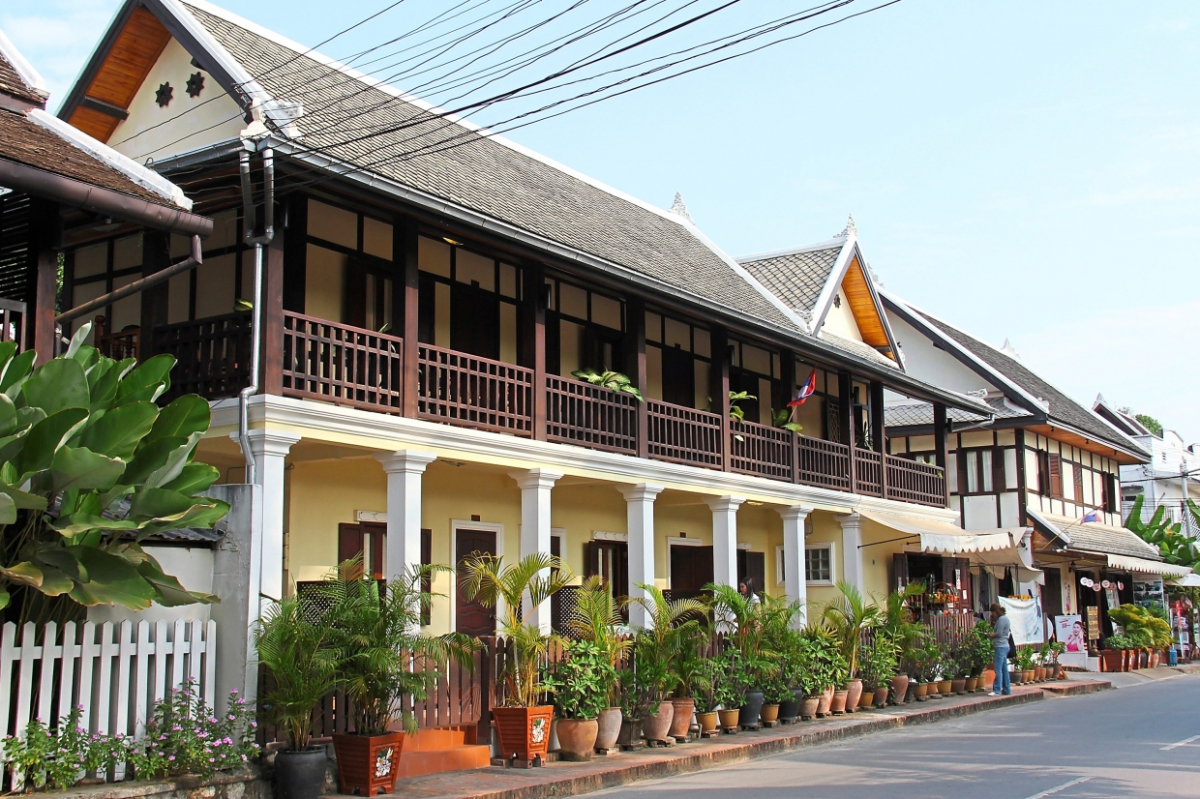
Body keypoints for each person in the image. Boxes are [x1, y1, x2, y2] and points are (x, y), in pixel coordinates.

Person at [987, 603, 1012, 696]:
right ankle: (1006, 689)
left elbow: (999, 633)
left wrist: (990, 635)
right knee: (1004, 669)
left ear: (995, 611)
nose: (992, 614)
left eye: (992, 612)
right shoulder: (1004, 619)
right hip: (1004, 646)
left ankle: (997, 689)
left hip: (1000, 646)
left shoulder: (1002, 619)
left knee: (998, 669)